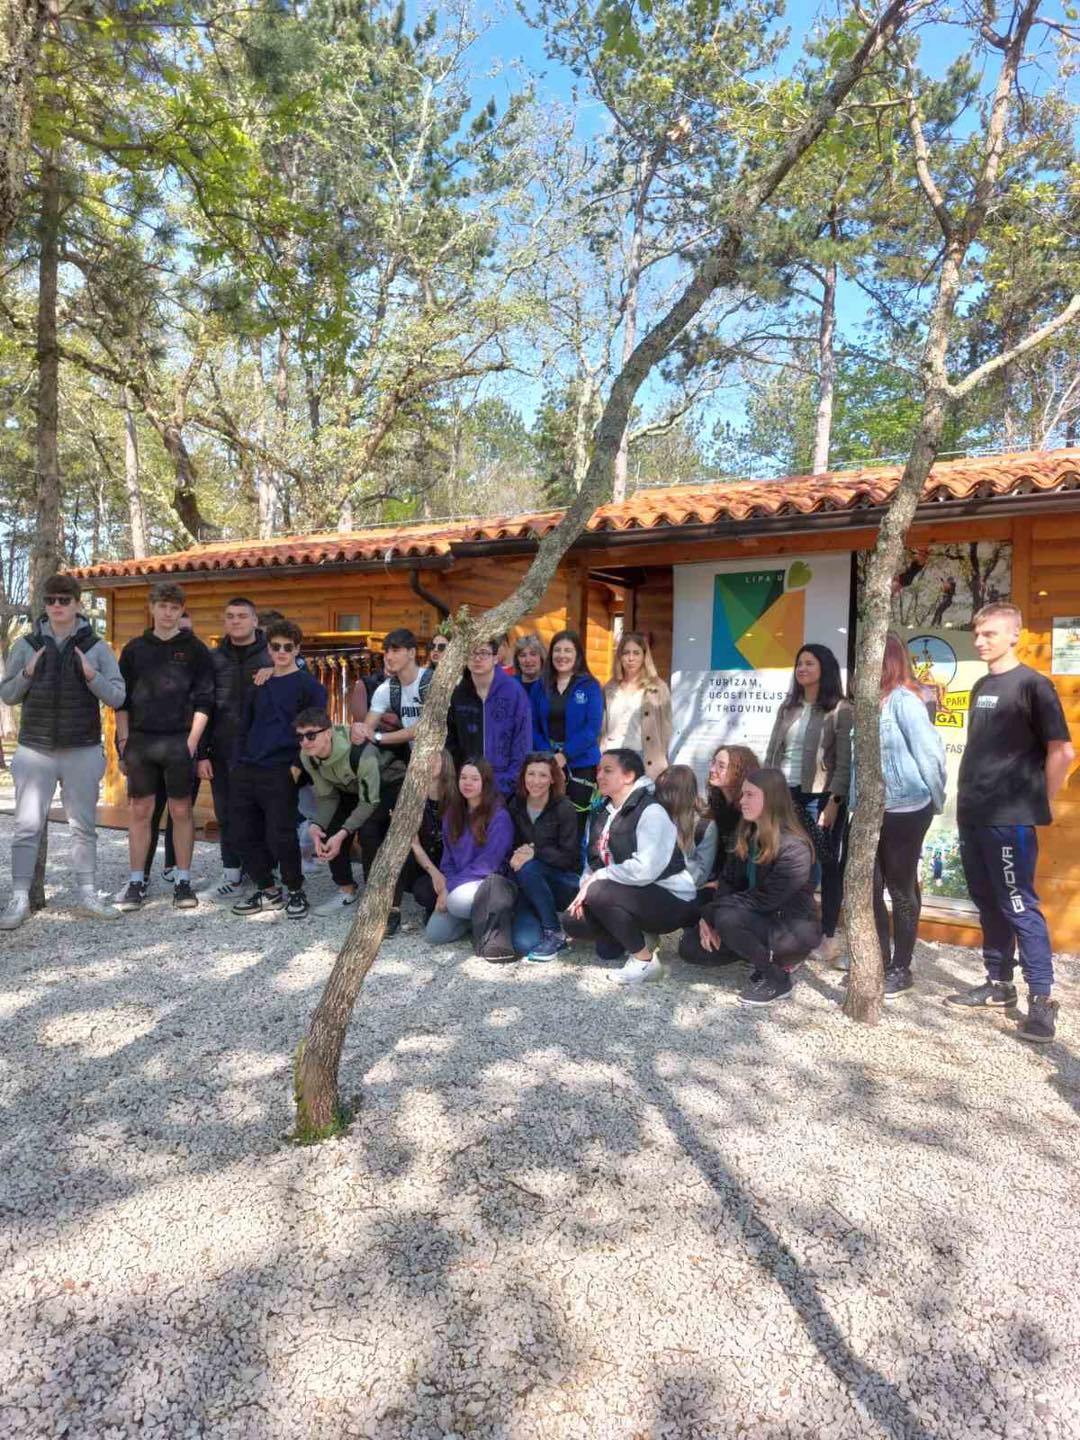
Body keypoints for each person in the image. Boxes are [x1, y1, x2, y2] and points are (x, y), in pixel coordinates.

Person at [945, 602, 1074, 1043]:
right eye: (977, 633)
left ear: (1015, 635)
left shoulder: (1034, 686)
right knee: (987, 901)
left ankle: (1042, 998)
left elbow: (1062, 751)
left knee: (1018, 903)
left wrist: (1038, 801)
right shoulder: (982, 684)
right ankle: (999, 984)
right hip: (973, 813)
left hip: (1009, 819)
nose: (980, 641)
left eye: (990, 634)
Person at [0, 574, 126, 928]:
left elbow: (118, 696)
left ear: (77, 604)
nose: (57, 606)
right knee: (26, 828)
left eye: (64, 600)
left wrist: (92, 676)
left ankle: (88, 894)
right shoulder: (26, 645)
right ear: (45, 604)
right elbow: (7, 694)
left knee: (83, 828)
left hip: (82, 749)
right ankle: (19, 899)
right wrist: (26, 674)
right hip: (34, 750)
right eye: (51, 600)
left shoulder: (97, 647)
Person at [680, 767, 821, 1006]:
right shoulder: (747, 833)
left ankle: (777, 979)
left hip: (790, 929)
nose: (742, 801)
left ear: (771, 799)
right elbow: (727, 882)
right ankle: (753, 952)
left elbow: (766, 899)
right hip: (751, 919)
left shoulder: (794, 847)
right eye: (742, 794)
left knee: (727, 918)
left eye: (750, 795)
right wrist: (708, 921)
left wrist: (712, 914)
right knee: (690, 947)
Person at [114, 582, 215, 912]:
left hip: (179, 741)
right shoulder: (134, 649)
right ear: (152, 608)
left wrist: (191, 744)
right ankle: (136, 881)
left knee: (181, 811)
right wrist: (123, 742)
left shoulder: (196, 649)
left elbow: (205, 701)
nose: (168, 613)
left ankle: (183, 880)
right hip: (141, 741)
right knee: (140, 811)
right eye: (163, 606)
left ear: (181, 610)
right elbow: (121, 701)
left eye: (174, 608)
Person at [560, 748, 698, 984]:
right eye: (599, 770)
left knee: (599, 891)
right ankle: (635, 934)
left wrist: (598, 880)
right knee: (573, 921)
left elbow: (645, 869)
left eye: (608, 770)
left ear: (629, 776)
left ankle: (645, 962)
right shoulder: (602, 811)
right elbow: (593, 862)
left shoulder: (651, 811)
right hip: (626, 894)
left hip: (671, 898)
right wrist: (585, 887)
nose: (599, 776)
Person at [229, 619, 327, 920]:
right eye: (276, 646)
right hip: (248, 767)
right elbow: (244, 725)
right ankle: (268, 889)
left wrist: (297, 767)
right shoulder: (259, 684)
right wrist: (236, 763)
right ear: (268, 649)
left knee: (281, 835)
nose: (282, 651)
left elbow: (316, 729)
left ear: (297, 649)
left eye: (288, 646)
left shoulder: (310, 686)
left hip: (282, 768)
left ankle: (295, 891)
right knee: (241, 833)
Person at [870, 633, 947, 998]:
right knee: (869, 889)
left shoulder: (905, 700)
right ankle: (879, 961)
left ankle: (901, 967)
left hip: (906, 808)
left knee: (900, 890)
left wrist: (935, 799)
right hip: (870, 811)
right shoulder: (870, 702)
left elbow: (930, 753)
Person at [765, 643, 852, 964]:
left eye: (809, 663)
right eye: (799, 663)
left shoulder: (840, 709)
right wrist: (765, 790)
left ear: (824, 668)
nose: (802, 669)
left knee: (823, 866)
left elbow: (844, 763)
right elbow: (772, 752)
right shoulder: (788, 707)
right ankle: (789, 930)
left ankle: (826, 936)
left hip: (820, 798)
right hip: (783, 795)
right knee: (785, 863)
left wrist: (834, 802)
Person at [350, 628, 433, 934]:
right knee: (373, 827)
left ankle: (432, 898)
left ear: (412, 652)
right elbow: (367, 727)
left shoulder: (430, 681)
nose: (389, 656)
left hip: (444, 767)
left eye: (396, 650)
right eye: (387, 651)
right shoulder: (387, 689)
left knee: (422, 831)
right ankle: (382, 904)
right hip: (409, 766)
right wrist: (359, 731)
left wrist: (378, 736)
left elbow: (423, 728)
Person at [199, 598, 271, 897]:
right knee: (227, 814)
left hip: (263, 752)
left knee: (264, 814)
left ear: (255, 621)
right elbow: (203, 705)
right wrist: (201, 753)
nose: (236, 621)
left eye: (242, 616)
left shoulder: (272, 655)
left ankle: (266, 876)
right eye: (230, 616)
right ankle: (232, 874)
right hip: (223, 751)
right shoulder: (213, 659)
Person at [293, 707, 382, 916]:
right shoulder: (308, 756)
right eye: (300, 737)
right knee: (328, 831)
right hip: (348, 791)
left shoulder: (360, 751)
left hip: (382, 788)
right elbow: (327, 796)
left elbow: (369, 802)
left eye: (311, 735)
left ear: (328, 733)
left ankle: (376, 896)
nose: (305, 742)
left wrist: (344, 832)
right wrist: (317, 825)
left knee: (369, 833)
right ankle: (346, 890)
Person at [425, 758, 515, 957]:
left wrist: (449, 887)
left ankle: (489, 918)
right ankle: (474, 921)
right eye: (463, 777)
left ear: (485, 782)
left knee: (456, 902)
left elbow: (489, 864)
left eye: (475, 778)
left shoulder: (499, 816)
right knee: (434, 935)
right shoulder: (452, 813)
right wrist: (448, 884)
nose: (468, 783)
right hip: (460, 884)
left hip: (487, 884)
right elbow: (447, 857)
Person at [505, 752, 582, 961]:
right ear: (523, 776)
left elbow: (570, 858)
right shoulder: (515, 804)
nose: (536, 781)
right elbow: (510, 847)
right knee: (523, 943)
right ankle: (540, 914)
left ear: (553, 779)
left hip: (563, 882)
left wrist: (535, 852)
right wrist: (521, 854)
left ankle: (554, 931)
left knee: (529, 867)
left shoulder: (564, 808)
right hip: (528, 884)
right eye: (531, 774)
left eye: (543, 775)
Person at [529, 629, 604, 837]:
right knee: (547, 822)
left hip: (581, 764)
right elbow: (532, 726)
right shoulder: (540, 686)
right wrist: (550, 757)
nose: (562, 655)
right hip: (546, 763)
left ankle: (575, 859)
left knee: (575, 825)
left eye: (568, 650)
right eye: (557, 650)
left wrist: (564, 756)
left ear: (577, 655)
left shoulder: (590, 686)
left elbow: (592, 728)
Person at [448, 637, 532, 797]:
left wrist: (509, 783)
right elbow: (452, 741)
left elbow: (522, 741)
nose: (477, 658)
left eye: (484, 653)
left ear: (495, 658)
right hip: (467, 786)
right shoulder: (459, 694)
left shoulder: (513, 692)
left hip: (505, 787)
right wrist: (461, 778)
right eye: (472, 653)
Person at [601, 630, 673, 780]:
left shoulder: (658, 688)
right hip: (612, 755)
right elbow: (602, 726)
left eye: (636, 653)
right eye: (626, 653)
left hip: (643, 758)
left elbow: (666, 728)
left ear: (644, 656)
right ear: (620, 657)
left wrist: (662, 760)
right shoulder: (609, 688)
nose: (631, 658)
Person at [398, 749, 457, 923]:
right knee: (422, 891)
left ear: (445, 762)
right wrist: (434, 873)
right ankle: (434, 903)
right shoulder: (411, 796)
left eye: (434, 758)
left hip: (455, 864)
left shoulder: (459, 795)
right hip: (427, 862)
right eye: (425, 759)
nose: (429, 763)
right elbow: (414, 844)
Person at [654, 764, 719, 891]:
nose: (658, 797)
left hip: (679, 887)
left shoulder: (704, 827)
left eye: (663, 792)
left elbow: (700, 874)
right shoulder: (654, 815)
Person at [705, 745, 761, 862]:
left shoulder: (750, 811)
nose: (712, 770)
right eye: (713, 763)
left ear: (739, 772)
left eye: (721, 766)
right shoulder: (718, 802)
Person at [512, 634, 546, 699]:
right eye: (523, 655)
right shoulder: (509, 685)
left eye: (533, 654)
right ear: (517, 660)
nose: (528, 660)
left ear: (541, 657)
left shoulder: (551, 685)